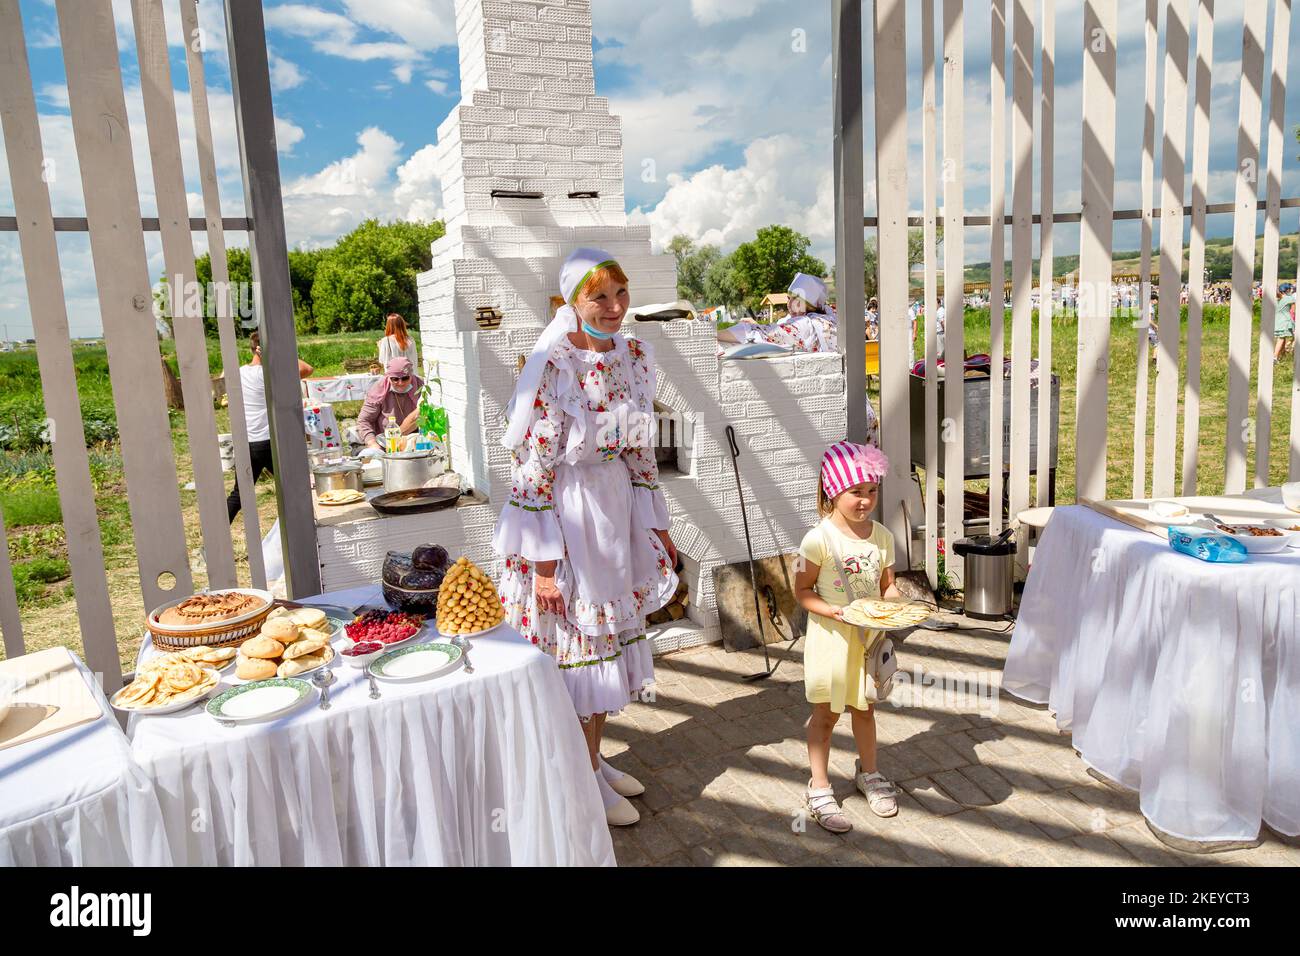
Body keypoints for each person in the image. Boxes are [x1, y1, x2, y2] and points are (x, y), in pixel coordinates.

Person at [493, 247, 678, 828]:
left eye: (620, 294)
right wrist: (544, 564)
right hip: (569, 514)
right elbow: (537, 463)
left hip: (615, 508)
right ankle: (580, 780)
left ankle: (592, 764)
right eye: (599, 296)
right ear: (573, 302)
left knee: (610, 642)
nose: (614, 307)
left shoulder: (638, 355)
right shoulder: (557, 364)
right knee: (582, 651)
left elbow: (643, 446)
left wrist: (659, 528)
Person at [793, 441, 901, 833]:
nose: (865, 500)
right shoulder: (816, 540)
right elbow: (802, 591)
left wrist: (897, 601)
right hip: (831, 640)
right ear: (832, 491)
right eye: (856, 492)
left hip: (867, 641)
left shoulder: (884, 537)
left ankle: (868, 772)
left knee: (865, 709)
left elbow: (886, 585)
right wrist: (833, 610)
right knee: (825, 713)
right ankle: (818, 785)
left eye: (872, 491)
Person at [226, 331, 314, 522]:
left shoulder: (239, 372)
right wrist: (278, 354)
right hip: (270, 442)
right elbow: (307, 369)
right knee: (296, 487)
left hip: (247, 442)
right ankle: (304, 527)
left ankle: (215, 538)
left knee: (238, 495)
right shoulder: (270, 373)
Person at [357, 357, 424, 453]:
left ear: (411, 375)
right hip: (386, 445)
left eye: (405, 378)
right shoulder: (379, 389)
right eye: (395, 379)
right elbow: (364, 420)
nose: (400, 383)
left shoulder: (421, 386)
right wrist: (372, 443)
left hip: (416, 443)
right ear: (388, 377)